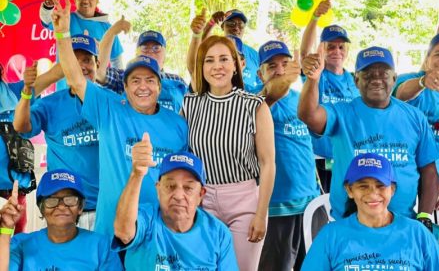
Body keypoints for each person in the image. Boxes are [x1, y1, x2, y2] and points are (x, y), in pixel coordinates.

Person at [50, 0, 188, 237]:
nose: (142, 87)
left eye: (149, 80)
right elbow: (75, 78)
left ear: (159, 86)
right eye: (135, 80)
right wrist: (62, 34)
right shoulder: (109, 108)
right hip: (110, 231)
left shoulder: (178, 125)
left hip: (156, 232)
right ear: (124, 87)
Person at [299, 45, 439, 229]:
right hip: (351, 226)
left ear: (394, 79)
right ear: (356, 81)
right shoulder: (342, 114)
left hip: (403, 225)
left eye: (383, 74)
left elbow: (429, 170)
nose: (376, 79)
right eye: (368, 74)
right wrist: (313, 79)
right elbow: (308, 115)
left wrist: (424, 216)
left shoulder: (414, 117)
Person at [182, 35, 275, 271]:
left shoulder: (255, 105)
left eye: (224, 59)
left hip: (244, 201)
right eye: (209, 60)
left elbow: (268, 164)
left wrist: (261, 214)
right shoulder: (190, 104)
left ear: (236, 64)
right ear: (201, 67)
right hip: (202, 201)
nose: (217, 66)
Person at [301, 153, 439, 271]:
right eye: (363, 186)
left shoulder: (418, 233)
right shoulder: (331, 235)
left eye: (380, 186)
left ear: (392, 189)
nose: (373, 194)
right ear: (349, 190)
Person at [13, 34, 102, 230]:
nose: (82, 67)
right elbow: (21, 126)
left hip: (106, 210)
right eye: (74, 61)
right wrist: (28, 90)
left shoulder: (110, 102)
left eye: (87, 60)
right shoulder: (50, 104)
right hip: (64, 211)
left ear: (97, 63)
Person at [113, 134, 239, 269]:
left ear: (201, 195)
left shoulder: (218, 233)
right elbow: (123, 233)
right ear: (158, 189)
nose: (179, 195)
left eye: (188, 188)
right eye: (170, 186)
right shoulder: (146, 218)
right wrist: (136, 174)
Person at [255, 41, 324, 271]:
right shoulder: (255, 102)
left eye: (285, 64)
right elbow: (268, 96)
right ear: (260, 73)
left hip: (310, 205)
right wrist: (282, 82)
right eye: (272, 66)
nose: (280, 70)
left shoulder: (301, 98)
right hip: (276, 208)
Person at [394, 31, 439, 255]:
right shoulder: (411, 80)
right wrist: (423, 82)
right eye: (438, 53)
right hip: (403, 176)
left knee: (434, 246)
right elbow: (398, 95)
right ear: (427, 58)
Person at [0, 170, 122, 270]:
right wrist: (5, 228)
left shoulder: (102, 246)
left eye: (70, 200)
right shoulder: (21, 243)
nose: (62, 206)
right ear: (42, 208)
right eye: (52, 200)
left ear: (80, 207)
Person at [300, 0, 360, 193]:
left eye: (341, 46)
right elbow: (305, 53)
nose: (336, 51)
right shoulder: (318, 75)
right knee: (323, 212)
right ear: (323, 49)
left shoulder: (354, 79)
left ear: (347, 50)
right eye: (330, 46)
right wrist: (315, 17)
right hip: (321, 159)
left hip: (349, 157)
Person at [0, 61, 64, 234]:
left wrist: (67, 41)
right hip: (13, 186)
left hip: (15, 188)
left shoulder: (16, 91)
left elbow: (55, 74)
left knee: (17, 242)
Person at [40, 0, 124, 89]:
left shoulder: (107, 27)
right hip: (65, 88)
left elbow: (117, 61)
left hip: (95, 93)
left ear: (97, 1)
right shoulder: (66, 19)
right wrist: (47, 8)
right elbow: (47, 20)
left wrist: (119, 89)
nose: (85, 0)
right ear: (75, 0)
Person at [98, 28, 188, 113]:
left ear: (165, 54)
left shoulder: (177, 82)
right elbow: (99, 72)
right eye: (145, 48)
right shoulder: (123, 77)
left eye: (156, 48)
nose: (150, 52)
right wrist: (113, 31)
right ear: (136, 53)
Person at [187, 9, 262, 93]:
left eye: (240, 24)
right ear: (223, 26)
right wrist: (203, 29)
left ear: (242, 63)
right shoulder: (206, 86)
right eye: (231, 23)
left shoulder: (248, 93)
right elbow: (194, 66)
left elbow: (264, 87)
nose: (236, 28)